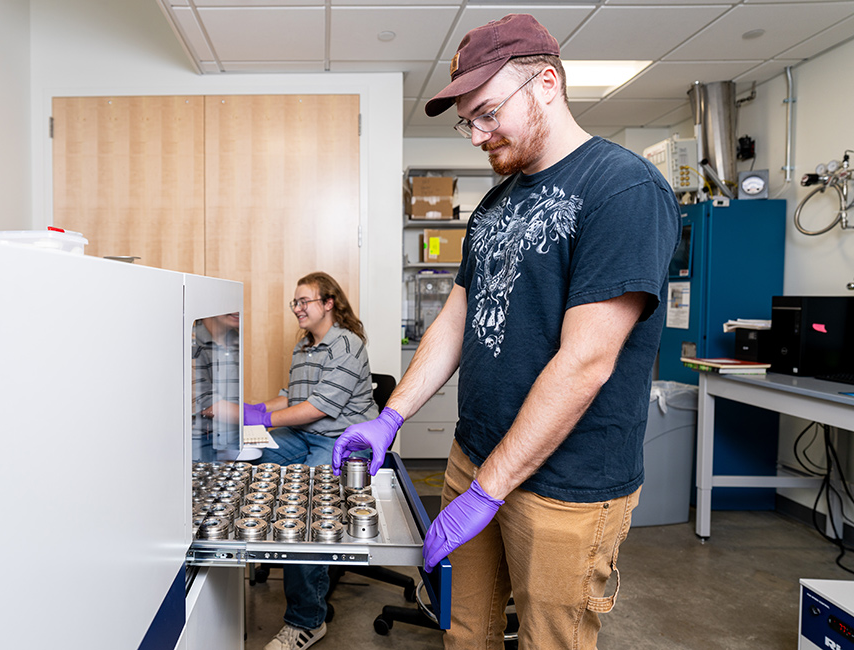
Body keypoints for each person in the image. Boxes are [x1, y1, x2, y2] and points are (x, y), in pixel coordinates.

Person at [332, 13, 680, 650]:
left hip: (566, 484)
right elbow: (458, 317)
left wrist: (488, 491)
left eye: (488, 113)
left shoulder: (622, 189)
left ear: (546, 83)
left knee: (552, 640)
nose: (477, 136)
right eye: (470, 120)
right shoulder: (497, 201)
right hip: (476, 455)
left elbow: (586, 362)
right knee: (464, 631)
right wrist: (392, 416)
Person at [244, 271, 378, 650]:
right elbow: (292, 398)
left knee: (300, 507)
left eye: (305, 301)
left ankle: (307, 620)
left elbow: (318, 408)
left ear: (329, 303)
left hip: (342, 441)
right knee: (246, 455)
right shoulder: (304, 346)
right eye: (295, 302)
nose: (298, 309)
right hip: (306, 435)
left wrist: (262, 419)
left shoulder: (347, 346)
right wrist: (247, 412)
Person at [190, 312, 241, 462]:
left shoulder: (235, 338)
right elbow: (207, 405)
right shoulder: (190, 341)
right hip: (199, 437)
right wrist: (255, 416)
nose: (237, 311)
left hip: (230, 431)